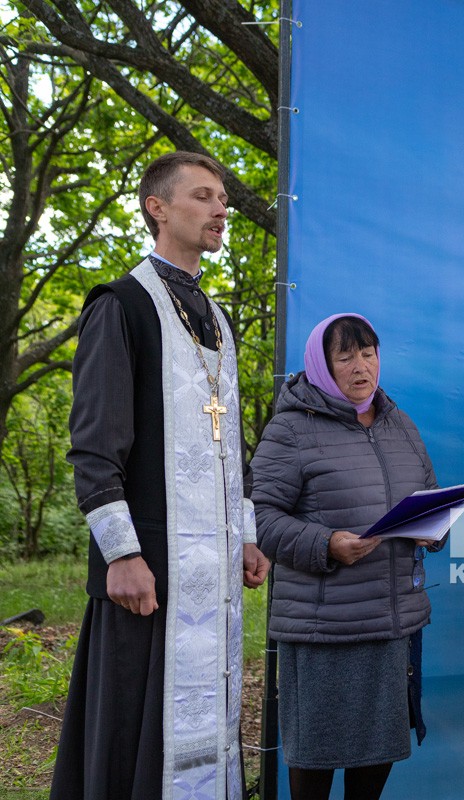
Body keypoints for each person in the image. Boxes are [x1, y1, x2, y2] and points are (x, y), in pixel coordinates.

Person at [52, 151, 270, 800]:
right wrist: (120, 552)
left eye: (222, 199)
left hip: (211, 570)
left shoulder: (217, 318)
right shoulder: (121, 305)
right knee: (134, 732)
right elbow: (94, 444)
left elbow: (232, 443)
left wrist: (249, 534)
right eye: (203, 196)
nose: (220, 209)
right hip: (149, 564)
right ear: (158, 207)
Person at [251, 313, 439, 800]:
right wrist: (326, 544)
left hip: (392, 625)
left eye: (369, 353)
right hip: (324, 631)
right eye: (346, 356)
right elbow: (260, 518)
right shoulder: (290, 429)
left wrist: (431, 531)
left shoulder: (400, 424)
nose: (361, 367)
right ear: (321, 364)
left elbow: (430, 495)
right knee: (315, 762)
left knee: (377, 760)